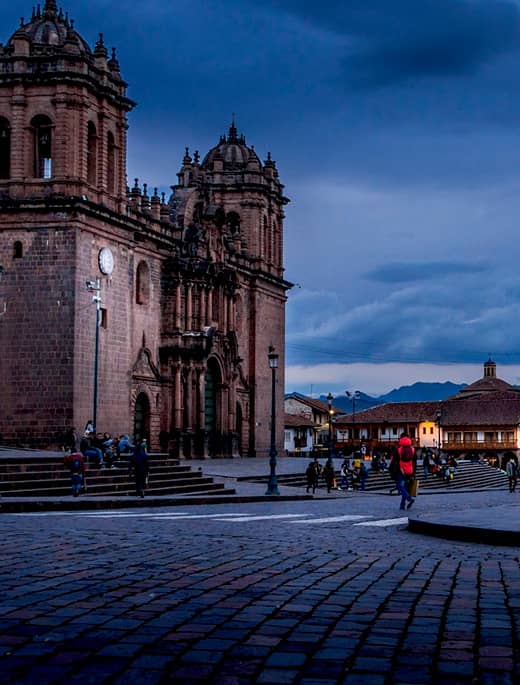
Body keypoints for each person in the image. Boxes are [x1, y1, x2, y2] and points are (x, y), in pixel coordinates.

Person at [396, 433, 415, 510]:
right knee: (405, 487)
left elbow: (395, 461)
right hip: (410, 471)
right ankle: (402, 505)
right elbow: (414, 461)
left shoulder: (399, 450)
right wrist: (413, 472)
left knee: (400, 486)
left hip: (401, 471)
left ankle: (409, 498)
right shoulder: (412, 449)